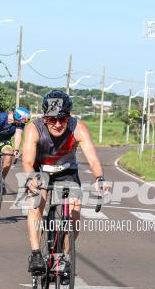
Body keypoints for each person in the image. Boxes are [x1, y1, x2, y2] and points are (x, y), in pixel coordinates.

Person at [22, 90, 109, 275]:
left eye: (63, 119)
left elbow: (92, 159)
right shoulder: (33, 128)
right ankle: (36, 254)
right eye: (53, 119)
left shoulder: (78, 128)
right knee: (36, 201)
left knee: (75, 210)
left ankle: (64, 257)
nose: (58, 124)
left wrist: (99, 178)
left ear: (69, 117)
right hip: (40, 170)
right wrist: (31, 178)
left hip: (66, 171)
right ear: (45, 118)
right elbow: (28, 162)